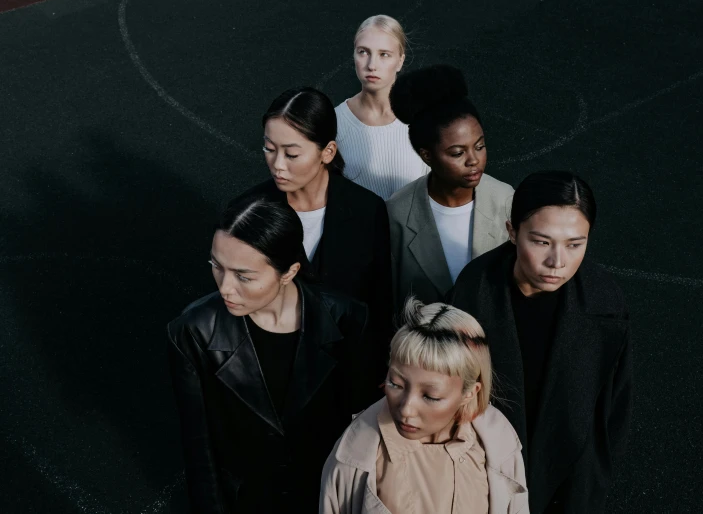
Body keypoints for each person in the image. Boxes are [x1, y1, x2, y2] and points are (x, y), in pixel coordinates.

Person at [167, 194, 375, 513]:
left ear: (289, 272)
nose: (225, 288)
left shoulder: (346, 318)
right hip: (245, 501)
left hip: (324, 495)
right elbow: (199, 448)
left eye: (244, 276)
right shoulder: (194, 331)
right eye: (216, 267)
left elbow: (363, 423)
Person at [448, 171, 632, 513]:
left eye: (575, 244)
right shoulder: (474, 291)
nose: (557, 262)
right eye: (541, 241)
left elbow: (614, 404)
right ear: (511, 231)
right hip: (486, 470)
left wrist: (594, 475)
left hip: (571, 481)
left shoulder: (604, 301)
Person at [237, 86, 393, 377]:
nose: (277, 165)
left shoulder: (367, 210)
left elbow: (380, 305)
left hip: (349, 375)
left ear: (328, 152)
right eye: (269, 149)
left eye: (292, 154)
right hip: (271, 373)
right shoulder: (248, 212)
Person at [320, 298, 530, 514]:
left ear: (469, 393)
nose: (406, 410)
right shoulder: (354, 456)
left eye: (430, 396)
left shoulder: (499, 444)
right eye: (395, 384)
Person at [385, 64, 514, 313]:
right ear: (426, 156)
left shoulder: (506, 199)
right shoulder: (397, 213)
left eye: (479, 146)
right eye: (457, 152)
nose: (473, 160)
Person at [335, 14, 429, 200]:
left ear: (400, 60)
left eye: (384, 54)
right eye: (363, 52)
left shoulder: (425, 118)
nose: (372, 65)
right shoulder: (334, 121)